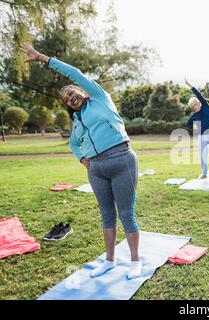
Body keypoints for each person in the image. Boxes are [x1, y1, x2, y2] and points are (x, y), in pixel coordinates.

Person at [20, 42, 142, 280]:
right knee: (107, 215)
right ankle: (109, 261)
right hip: (96, 170)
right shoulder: (77, 121)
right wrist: (81, 158)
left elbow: (73, 73)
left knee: (126, 214)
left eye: (72, 92)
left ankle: (135, 261)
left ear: (84, 91)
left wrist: (43, 58)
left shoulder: (100, 98)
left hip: (121, 161)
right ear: (68, 105)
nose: (70, 96)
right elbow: (74, 144)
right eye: (66, 98)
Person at [185, 78, 209, 180]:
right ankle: (204, 173)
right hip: (202, 137)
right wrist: (195, 129)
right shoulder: (194, 116)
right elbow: (188, 125)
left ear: (198, 103)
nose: (194, 107)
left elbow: (199, 95)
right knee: (202, 156)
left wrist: (189, 84)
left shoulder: (206, 106)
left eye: (194, 105)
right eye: (192, 107)